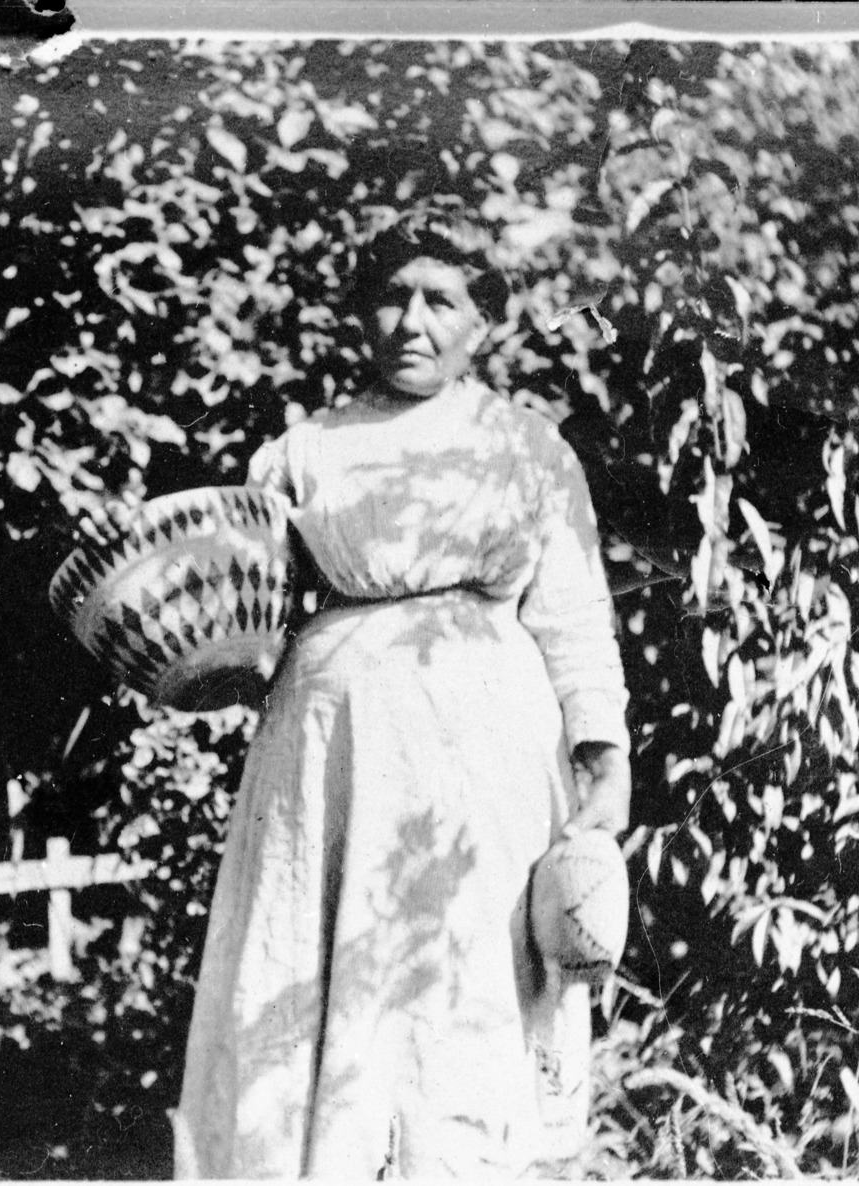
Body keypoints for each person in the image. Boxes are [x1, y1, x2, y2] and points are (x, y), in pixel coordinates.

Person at [174, 204, 633, 1179]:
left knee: (463, 986)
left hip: (484, 772)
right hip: (327, 767)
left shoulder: (529, 454)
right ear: (360, 311)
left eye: (439, 299)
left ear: (482, 318)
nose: (411, 322)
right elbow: (244, 617)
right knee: (315, 977)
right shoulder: (302, 454)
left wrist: (603, 765)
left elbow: (577, 625)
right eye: (390, 296)